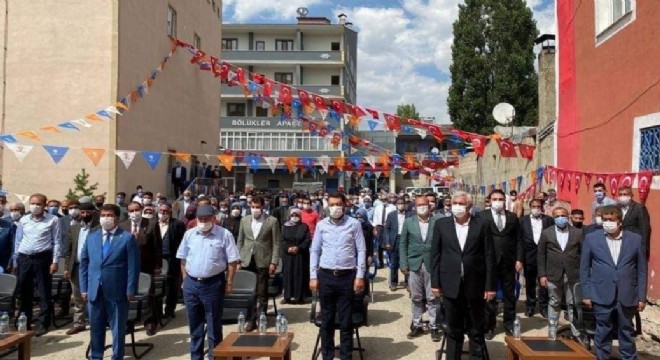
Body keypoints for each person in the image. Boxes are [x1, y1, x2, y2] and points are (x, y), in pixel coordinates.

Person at [431, 191, 495, 360]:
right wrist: (435, 283)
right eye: (455, 203)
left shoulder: (482, 224)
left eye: (461, 203)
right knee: (454, 330)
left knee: (476, 329)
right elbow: (435, 255)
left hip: (475, 285)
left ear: (469, 207)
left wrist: (490, 286)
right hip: (450, 284)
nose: (457, 206)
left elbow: (489, 256)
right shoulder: (441, 225)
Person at [580, 205, 647, 360]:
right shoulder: (591, 239)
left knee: (626, 331)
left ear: (620, 221)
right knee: (602, 331)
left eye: (611, 219)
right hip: (601, 293)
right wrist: (586, 293)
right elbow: (584, 269)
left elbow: (642, 270)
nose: (608, 222)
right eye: (605, 219)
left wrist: (642, 297)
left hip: (627, 294)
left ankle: (628, 357)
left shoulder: (635, 239)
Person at [177, 204, 240, 360]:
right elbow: (183, 258)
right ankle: (196, 357)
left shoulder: (224, 235)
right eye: (200, 219)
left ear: (214, 218)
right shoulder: (189, 234)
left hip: (213, 284)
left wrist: (229, 282)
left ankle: (215, 356)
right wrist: (185, 279)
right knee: (194, 326)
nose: (203, 222)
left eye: (206, 219)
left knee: (213, 326)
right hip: (191, 284)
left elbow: (232, 261)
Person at [309, 192, 366, 360]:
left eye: (338, 204)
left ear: (344, 205)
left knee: (345, 320)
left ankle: (346, 355)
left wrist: (360, 275)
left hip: (347, 276)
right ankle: (327, 354)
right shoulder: (321, 225)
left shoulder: (354, 224)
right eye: (332, 204)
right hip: (326, 275)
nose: (335, 208)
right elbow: (315, 250)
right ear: (327, 205)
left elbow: (361, 250)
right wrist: (313, 276)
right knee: (326, 319)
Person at [80, 204, 140, 360]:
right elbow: (84, 264)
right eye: (103, 215)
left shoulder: (127, 238)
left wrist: (130, 289)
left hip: (118, 291)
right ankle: (96, 356)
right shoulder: (92, 237)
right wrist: (84, 288)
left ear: (117, 219)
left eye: (109, 215)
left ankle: (117, 356)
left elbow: (133, 267)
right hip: (94, 291)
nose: (105, 218)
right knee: (96, 328)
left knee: (118, 329)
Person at [14, 193, 62, 336]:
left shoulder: (53, 220)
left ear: (44, 205)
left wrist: (55, 261)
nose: (35, 206)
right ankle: (25, 321)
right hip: (24, 258)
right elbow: (18, 240)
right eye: (32, 203)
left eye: (38, 204)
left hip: (43, 258)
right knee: (24, 292)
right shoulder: (24, 220)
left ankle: (43, 323)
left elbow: (57, 241)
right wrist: (16, 259)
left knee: (43, 292)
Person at [481, 189, 523, 339]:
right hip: (488, 262)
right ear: (490, 200)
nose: (498, 201)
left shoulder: (512, 217)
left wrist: (519, 259)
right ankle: (489, 326)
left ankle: (509, 324)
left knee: (509, 295)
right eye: (495, 199)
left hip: (508, 262)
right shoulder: (482, 216)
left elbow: (518, 239)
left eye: (500, 199)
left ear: (505, 201)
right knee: (489, 295)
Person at [236, 196, 280, 330]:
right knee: (250, 292)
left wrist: (274, 262)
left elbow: (276, 243)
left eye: (258, 207)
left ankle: (261, 317)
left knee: (262, 292)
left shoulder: (272, 221)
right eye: (253, 207)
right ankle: (250, 319)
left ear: (263, 207)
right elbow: (240, 241)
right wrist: (238, 259)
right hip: (247, 259)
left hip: (263, 260)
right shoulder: (244, 220)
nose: (255, 209)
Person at [537, 207, 582, 338]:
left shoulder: (577, 233)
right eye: (557, 216)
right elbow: (541, 254)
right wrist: (542, 274)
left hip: (572, 274)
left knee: (572, 304)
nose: (560, 218)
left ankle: (576, 333)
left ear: (568, 216)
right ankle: (552, 331)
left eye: (563, 215)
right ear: (553, 218)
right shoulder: (547, 233)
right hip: (553, 274)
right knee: (554, 302)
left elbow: (583, 253)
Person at [400, 195, 439, 341]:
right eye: (419, 205)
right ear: (414, 207)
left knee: (432, 297)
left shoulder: (437, 222)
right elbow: (403, 244)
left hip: (431, 264)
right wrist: (404, 264)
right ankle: (417, 324)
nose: (422, 207)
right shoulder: (409, 222)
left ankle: (434, 326)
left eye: (424, 204)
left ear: (429, 205)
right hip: (414, 264)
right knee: (416, 297)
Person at [119, 201, 161, 335]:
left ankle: (150, 321)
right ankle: (129, 322)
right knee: (129, 294)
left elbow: (157, 247)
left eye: (137, 209)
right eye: (131, 210)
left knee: (149, 294)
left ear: (141, 209)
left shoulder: (151, 224)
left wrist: (157, 265)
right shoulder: (122, 226)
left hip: (146, 265)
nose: (134, 213)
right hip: (127, 267)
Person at [63, 202, 99, 335]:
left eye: (88, 212)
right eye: (82, 212)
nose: (85, 215)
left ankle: (97, 321)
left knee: (95, 295)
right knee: (78, 297)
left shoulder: (98, 228)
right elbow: (69, 250)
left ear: (93, 213)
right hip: (77, 267)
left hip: (93, 267)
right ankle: (79, 323)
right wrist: (67, 267)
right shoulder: (75, 228)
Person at [520, 199, 554, 318]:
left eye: (538, 206)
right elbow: (520, 240)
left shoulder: (548, 220)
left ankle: (543, 306)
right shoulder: (523, 221)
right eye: (534, 206)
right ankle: (530, 305)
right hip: (528, 256)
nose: (536, 208)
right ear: (530, 207)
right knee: (530, 283)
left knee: (543, 282)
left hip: (544, 257)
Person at [154, 203, 186, 319]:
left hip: (171, 258)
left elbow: (183, 242)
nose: (163, 213)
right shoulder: (153, 224)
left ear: (170, 212)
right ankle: (157, 311)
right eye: (161, 210)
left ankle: (169, 310)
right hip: (156, 259)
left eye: (165, 211)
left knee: (172, 285)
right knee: (157, 285)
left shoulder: (177, 224)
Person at [280, 208, 311, 304]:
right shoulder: (285, 226)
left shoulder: (304, 226)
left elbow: (307, 239)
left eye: (296, 215)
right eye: (292, 215)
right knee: (287, 275)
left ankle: (300, 297)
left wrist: (299, 248)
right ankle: (287, 297)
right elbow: (282, 240)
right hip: (288, 255)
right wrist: (287, 248)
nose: (294, 217)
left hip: (300, 255)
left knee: (300, 275)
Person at [383, 197, 413, 291]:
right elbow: (386, 229)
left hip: (406, 240)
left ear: (405, 204)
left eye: (402, 203)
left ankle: (408, 282)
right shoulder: (391, 215)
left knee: (407, 262)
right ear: (396, 204)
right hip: (394, 241)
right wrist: (387, 242)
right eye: (399, 203)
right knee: (394, 263)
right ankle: (393, 283)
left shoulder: (411, 214)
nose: (401, 205)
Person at [617, 186, 651, 257]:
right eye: (620, 194)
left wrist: (643, 247)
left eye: (625, 194)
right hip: (619, 243)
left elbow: (644, 228)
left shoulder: (639, 208)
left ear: (631, 195)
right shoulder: (616, 207)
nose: (622, 196)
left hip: (634, 242)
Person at [354, 208, 374, 296]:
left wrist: (370, 255)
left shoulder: (369, 227)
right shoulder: (353, 226)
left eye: (361, 217)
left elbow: (371, 242)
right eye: (357, 217)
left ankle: (366, 292)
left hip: (365, 253)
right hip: (354, 253)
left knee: (365, 274)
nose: (359, 218)